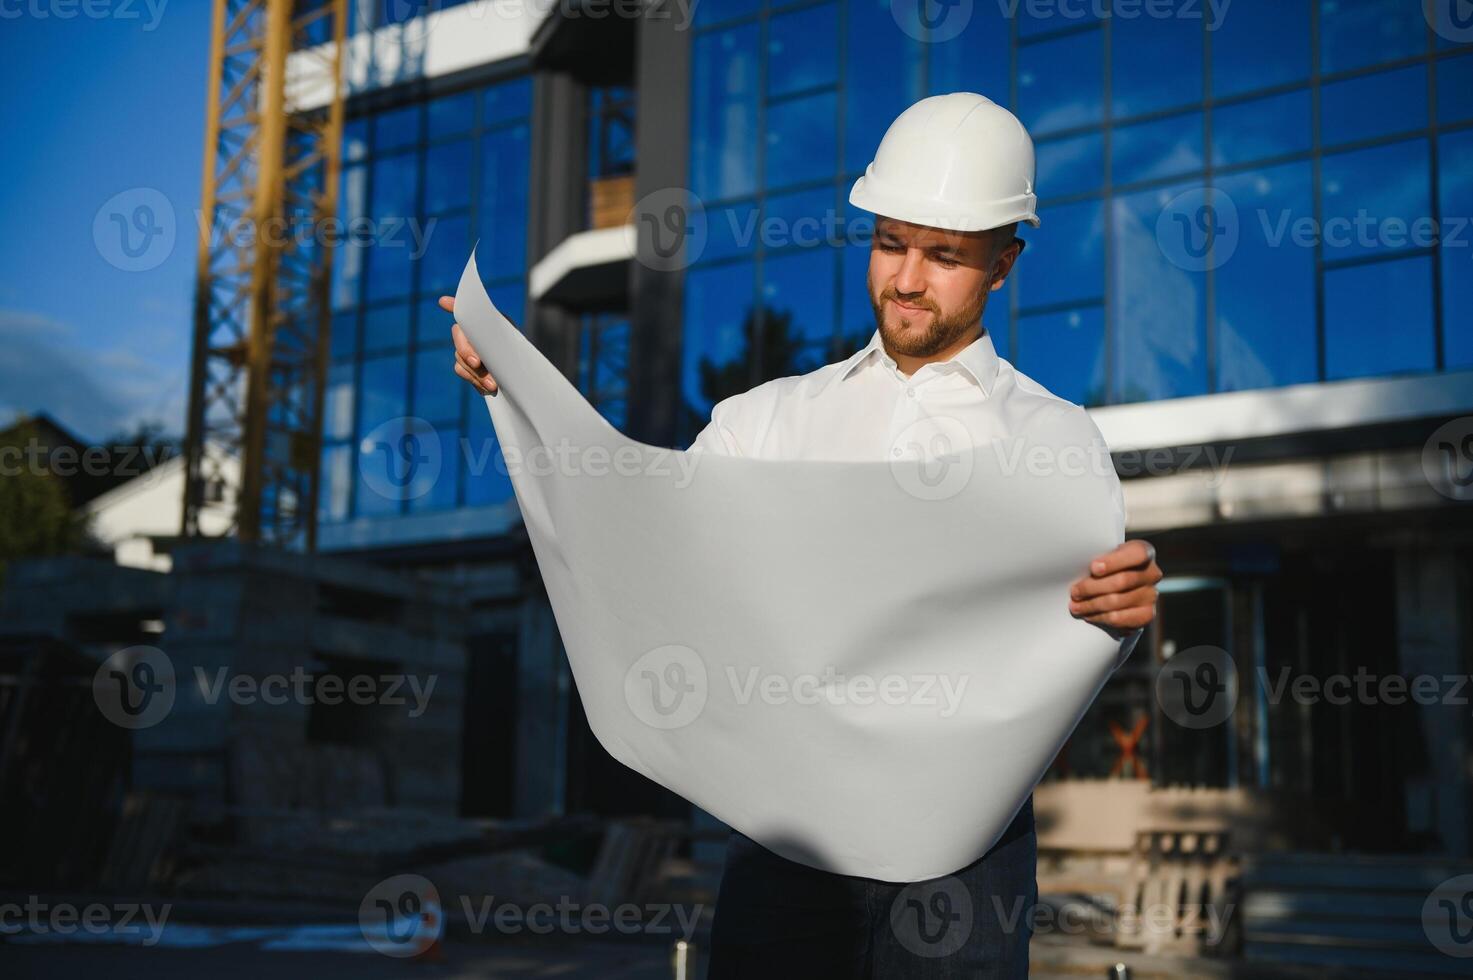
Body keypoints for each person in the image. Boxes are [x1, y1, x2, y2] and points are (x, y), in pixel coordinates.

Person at [441, 92, 1162, 978]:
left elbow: (1071, 638)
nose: (905, 278)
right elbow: (648, 538)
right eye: (890, 242)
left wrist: (1118, 616)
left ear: (1003, 266)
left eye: (944, 256)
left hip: (965, 853)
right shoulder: (765, 422)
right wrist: (515, 397)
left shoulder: (1054, 442)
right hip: (786, 842)